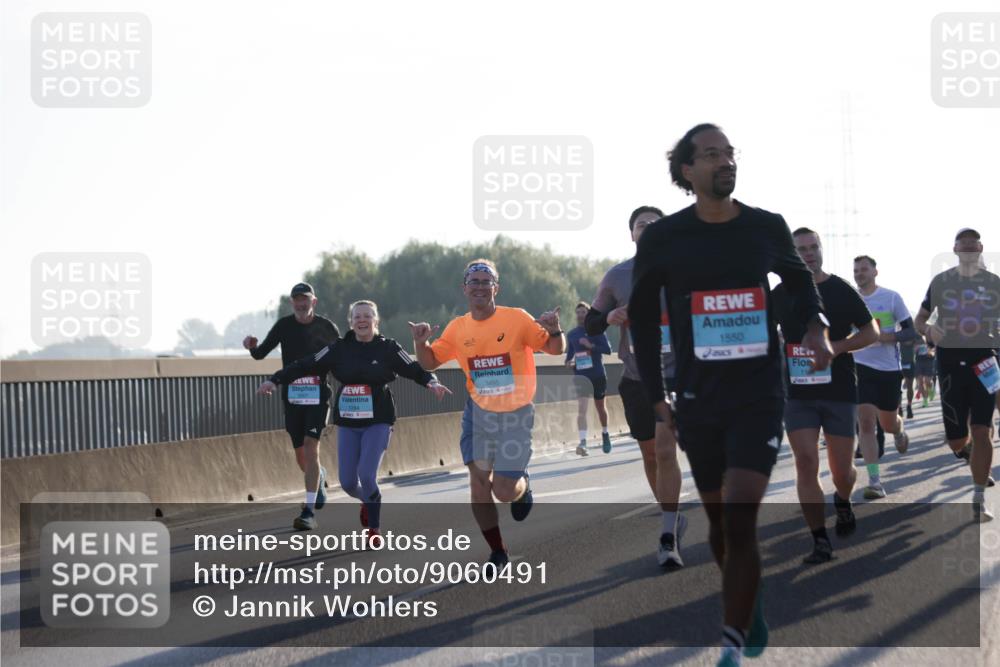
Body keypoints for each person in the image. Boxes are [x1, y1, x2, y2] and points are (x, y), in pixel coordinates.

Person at [629, 123, 832, 667]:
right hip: (698, 394)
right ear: (687, 171)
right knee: (721, 524)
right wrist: (657, 398)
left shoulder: (765, 226)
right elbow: (645, 323)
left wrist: (815, 328)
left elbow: (799, 280)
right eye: (712, 154)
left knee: (740, 514)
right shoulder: (664, 239)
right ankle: (750, 600)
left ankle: (732, 643)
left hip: (760, 390)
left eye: (730, 153)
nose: (725, 161)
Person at [409, 259, 564, 567]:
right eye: (474, 281)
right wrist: (420, 341)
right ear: (464, 288)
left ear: (496, 287)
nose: (480, 286)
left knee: (503, 491)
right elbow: (429, 363)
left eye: (485, 281)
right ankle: (498, 551)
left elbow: (556, 349)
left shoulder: (517, 319)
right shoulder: (457, 328)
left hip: (516, 413)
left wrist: (555, 329)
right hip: (479, 414)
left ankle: (522, 488)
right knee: (479, 481)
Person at [258, 300, 451, 535]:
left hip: (378, 421)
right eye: (357, 316)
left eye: (367, 316)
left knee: (367, 475)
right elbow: (306, 364)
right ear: (350, 322)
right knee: (348, 483)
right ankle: (368, 500)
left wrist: (432, 382)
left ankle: (374, 530)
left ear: (375, 321)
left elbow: (412, 368)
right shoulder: (339, 348)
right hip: (349, 422)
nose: (362, 320)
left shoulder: (387, 347)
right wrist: (275, 380)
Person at [585, 204, 688, 568]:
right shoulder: (617, 276)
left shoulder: (684, 269)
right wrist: (610, 316)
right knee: (649, 454)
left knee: (664, 451)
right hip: (635, 378)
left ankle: (665, 534)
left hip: (676, 374)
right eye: (641, 225)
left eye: (655, 225)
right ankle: (671, 517)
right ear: (632, 234)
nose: (647, 229)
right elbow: (592, 323)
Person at [772, 228, 878, 564]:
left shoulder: (840, 289)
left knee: (842, 472)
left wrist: (839, 347)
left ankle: (843, 501)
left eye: (813, 247)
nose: (808, 253)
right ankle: (819, 540)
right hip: (798, 393)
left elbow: (872, 329)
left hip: (839, 390)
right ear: (792, 254)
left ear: (821, 249)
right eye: (800, 249)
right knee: (805, 461)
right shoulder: (780, 293)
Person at [915, 228, 1000, 521]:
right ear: (955, 250)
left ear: (980, 249)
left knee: (982, 427)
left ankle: (978, 496)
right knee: (957, 441)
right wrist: (928, 330)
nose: (968, 251)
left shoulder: (993, 283)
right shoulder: (942, 281)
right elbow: (919, 319)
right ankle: (968, 453)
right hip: (950, 364)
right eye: (962, 246)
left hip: (984, 361)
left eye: (972, 246)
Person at [244, 282, 340, 530]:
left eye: (305, 299)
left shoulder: (326, 327)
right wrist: (252, 346)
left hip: (319, 394)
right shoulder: (284, 326)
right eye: (296, 300)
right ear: (292, 303)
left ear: (313, 302)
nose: (301, 303)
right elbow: (260, 354)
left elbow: (342, 356)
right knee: (301, 455)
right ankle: (319, 478)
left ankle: (308, 511)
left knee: (311, 447)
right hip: (293, 396)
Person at [851, 255, 917, 499]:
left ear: (875, 272)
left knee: (888, 423)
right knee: (866, 423)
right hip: (859, 366)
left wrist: (887, 337)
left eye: (864, 269)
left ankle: (899, 430)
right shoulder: (851, 298)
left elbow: (911, 330)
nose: (859, 273)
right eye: (856, 270)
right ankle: (875, 481)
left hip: (888, 369)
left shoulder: (891, 297)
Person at [565, 301, 613, 455]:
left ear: (588, 314)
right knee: (582, 409)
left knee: (600, 408)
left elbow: (608, 350)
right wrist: (569, 363)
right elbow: (569, 356)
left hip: (597, 375)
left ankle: (605, 433)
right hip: (581, 376)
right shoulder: (572, 334)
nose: (580, 315)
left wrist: (590, 345)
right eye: (578, 312)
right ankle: (583, 442)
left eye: (583, 312)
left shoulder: (597, 331)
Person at [900, 339, 916, 418]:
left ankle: (909, 406)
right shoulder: (895, 331)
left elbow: (922, 340)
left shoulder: (912, 332)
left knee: (910, 386)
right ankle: (899, 407)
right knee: (897, 387)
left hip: (910, 362)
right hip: (898, 362)